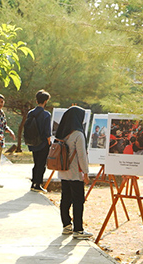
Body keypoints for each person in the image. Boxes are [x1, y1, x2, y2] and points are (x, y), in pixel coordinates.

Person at [55, 106, 91, 240]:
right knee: (78, 200)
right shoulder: (78, 134)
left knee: (65, 198)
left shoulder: (61, 133)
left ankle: (66, 225)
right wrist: (86, 173)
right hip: (75, 173)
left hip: (63, 171)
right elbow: (82, 156)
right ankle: (78, 230)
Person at [27, 90, 52, 192]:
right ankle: (38, 184)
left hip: (33, 142)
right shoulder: (46, 114)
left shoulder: (30, 113)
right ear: (46, 101)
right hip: (43, 143)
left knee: (36, 162)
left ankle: (33, 183)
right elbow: (47, 131)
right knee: (42, 164)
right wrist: (49, 141)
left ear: (36, 101)